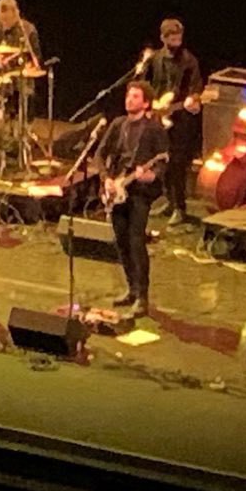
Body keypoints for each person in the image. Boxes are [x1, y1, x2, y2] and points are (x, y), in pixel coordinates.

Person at [102, 80, 168, 316]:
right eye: (129, 96)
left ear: (146, 102)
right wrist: (107, 179)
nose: (129, 100)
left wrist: (150, 175)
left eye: (136, 96)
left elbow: (162, 160)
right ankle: (131, 289)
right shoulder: (118, 125)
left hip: (139, 193)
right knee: (121, 241)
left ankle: (142, 296)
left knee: (136, 241)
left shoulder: (153, 128)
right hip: (117, 191)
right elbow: (102, 155)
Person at [138, 18, 204, 225]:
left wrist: (193, 100)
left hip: (181, 120)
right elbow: (145, 84)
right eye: (172, 39)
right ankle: (168, 201)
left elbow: (196, 90)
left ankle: (180, 208)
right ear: (163, 38)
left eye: (179, 39)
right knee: (162, 161)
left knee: (178, 164)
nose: (177, 43)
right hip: (160, 117)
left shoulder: (189, 61)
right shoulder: (155, 59)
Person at [0, 0, 40, 67]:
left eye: (7, 19)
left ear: (16, 14)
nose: (3, 23)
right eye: (1, 19)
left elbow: (37, 56)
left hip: (21, 73)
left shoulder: (28, 29)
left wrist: (30, 64)